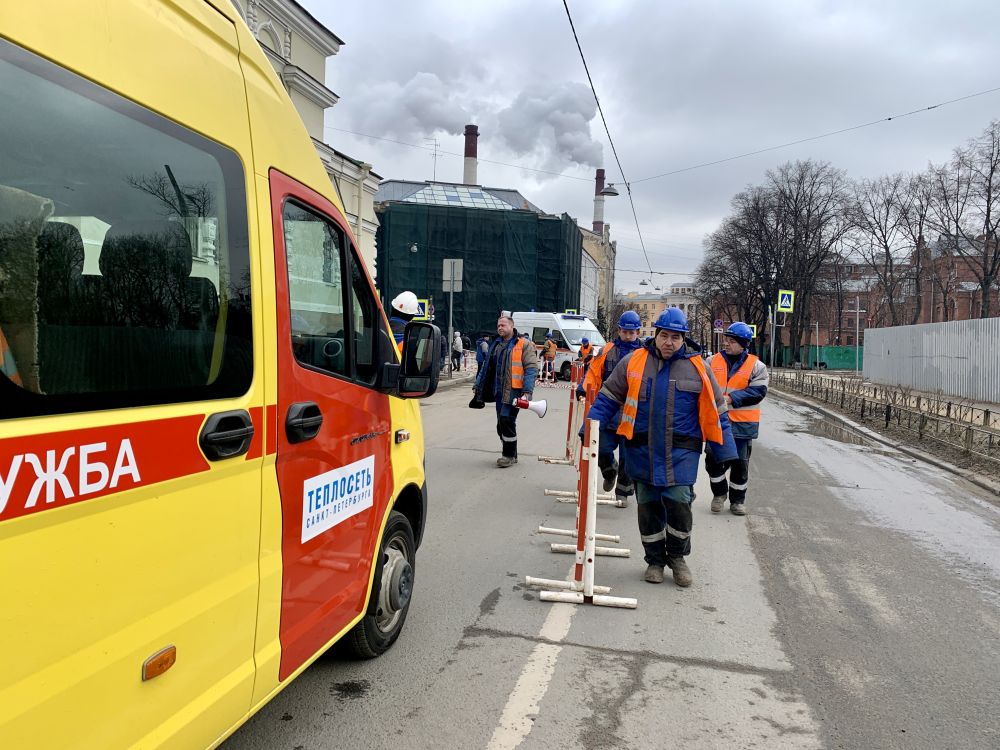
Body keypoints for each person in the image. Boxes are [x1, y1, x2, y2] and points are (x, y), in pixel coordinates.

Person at [586, 308, 736, 587]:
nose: (669, 342)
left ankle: (677, 558)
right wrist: (590, 427)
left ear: (684, 339)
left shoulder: (699, 367)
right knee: (649, 507)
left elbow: (718, 410)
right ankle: (654, 560)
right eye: (664, 335)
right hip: (641, 450)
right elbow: (608, 397)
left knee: (680, 504)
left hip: (681, 452)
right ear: (655, 335)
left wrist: (726, 451)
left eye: (675, 337)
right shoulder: (634, 361)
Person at [576, 310, 644, 505]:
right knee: (601, 447)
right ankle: (609, 470)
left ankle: (623, 492)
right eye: (625, 332)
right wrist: (583, 388)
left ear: (638, 332)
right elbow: (594, 373)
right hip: (609, 409)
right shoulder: (607, 350)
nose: (629, 336)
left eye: (632, 332)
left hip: (633, 413)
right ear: (619, 330)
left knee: (628, 455)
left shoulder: (644, 354)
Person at [706, 322, 769, 516]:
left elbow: (758, 391)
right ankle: (719, 494)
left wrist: (732, 398)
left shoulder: (757, 366)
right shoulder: (710, 362)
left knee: (740, 464)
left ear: (743, 343)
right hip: (716, 422)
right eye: (726, 339)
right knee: (713, 461)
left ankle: (737, 501)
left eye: (731, 341)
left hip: (743, 424)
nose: (726, 343)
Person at [471, 315, 539, 467]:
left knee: (506, 420)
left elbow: (531, 368)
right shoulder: (496, 344)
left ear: (511, 326)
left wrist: (527, 392)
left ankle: (507, 455)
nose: (500, 328)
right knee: (500, 425)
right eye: (498, 326)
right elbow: (487, 366)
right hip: (498, 392)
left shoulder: (524, 344)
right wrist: (478, 384)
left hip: (514, 392)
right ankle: (512, 452)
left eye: (503, 325)